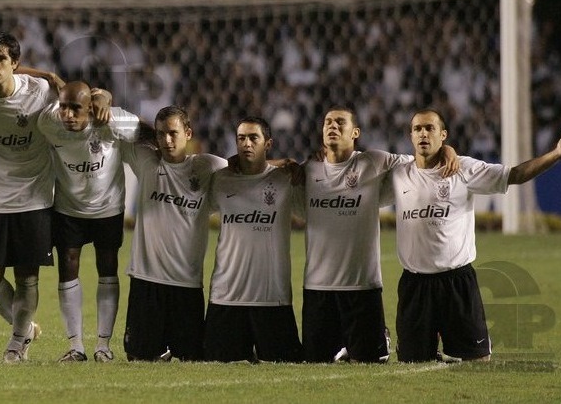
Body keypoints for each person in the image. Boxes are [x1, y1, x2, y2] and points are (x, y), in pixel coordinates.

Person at [384, 108, 561, 362]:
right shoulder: (399, 171)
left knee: (478, 361)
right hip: (415, 284)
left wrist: (556, 154)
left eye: (430, 128)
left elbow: (515, 175)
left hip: (456, 281)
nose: (423, 133)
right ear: (410, 136)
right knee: (411, 362)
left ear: (443, 134)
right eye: (417, 129)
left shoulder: (463, 169)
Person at [297, 106, 458, 363]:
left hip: (363, 286)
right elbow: (269, 172)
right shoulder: (308, 170)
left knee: (372, 362)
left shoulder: (374, 161)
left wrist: (447, 149)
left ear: (356, 132)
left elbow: (420, 160)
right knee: (314, 362)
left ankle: (378, 336)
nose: (332, 126)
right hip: (318, 287)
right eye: (328, 122)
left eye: (340, 122)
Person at [36, 80, 147, 363]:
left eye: (76, 109)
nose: (68, 115)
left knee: (107, 269)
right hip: (68, 208)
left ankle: (103, 346)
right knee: (67, 268)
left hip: (107, 208)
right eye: (64, 107)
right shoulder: (49, 122)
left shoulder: (112, 121)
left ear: (90, 108)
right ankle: (76, 346)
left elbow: (147, 131)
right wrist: (101, 93)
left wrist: (106, 99)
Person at [0, 31, 57, 363]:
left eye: (1, 59)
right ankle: (24, 328)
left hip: (34, 198)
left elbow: (75, 99)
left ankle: (17, 344)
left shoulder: (41, 91)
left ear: (15, 64)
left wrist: (50, 76)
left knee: (26, 275)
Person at [121, 105, 227, 362]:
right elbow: (118, 125)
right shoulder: (145, 160)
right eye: (160, 134)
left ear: (188, 133)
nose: (166, 141)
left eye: (173, 133)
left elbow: (246, 168)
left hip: (186, 284)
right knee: (138, 357)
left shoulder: (209, 166)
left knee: (191, 358)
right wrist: (103, 99)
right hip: (146, 280)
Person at [204, 116, 303, 363]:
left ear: (267, 143)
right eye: (241, 138)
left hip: (272, 297)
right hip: (227, 295)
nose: (246, 143)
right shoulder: (221, 179)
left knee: (284, 368)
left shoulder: (285, 179)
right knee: (218, 368)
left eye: (253, 138)